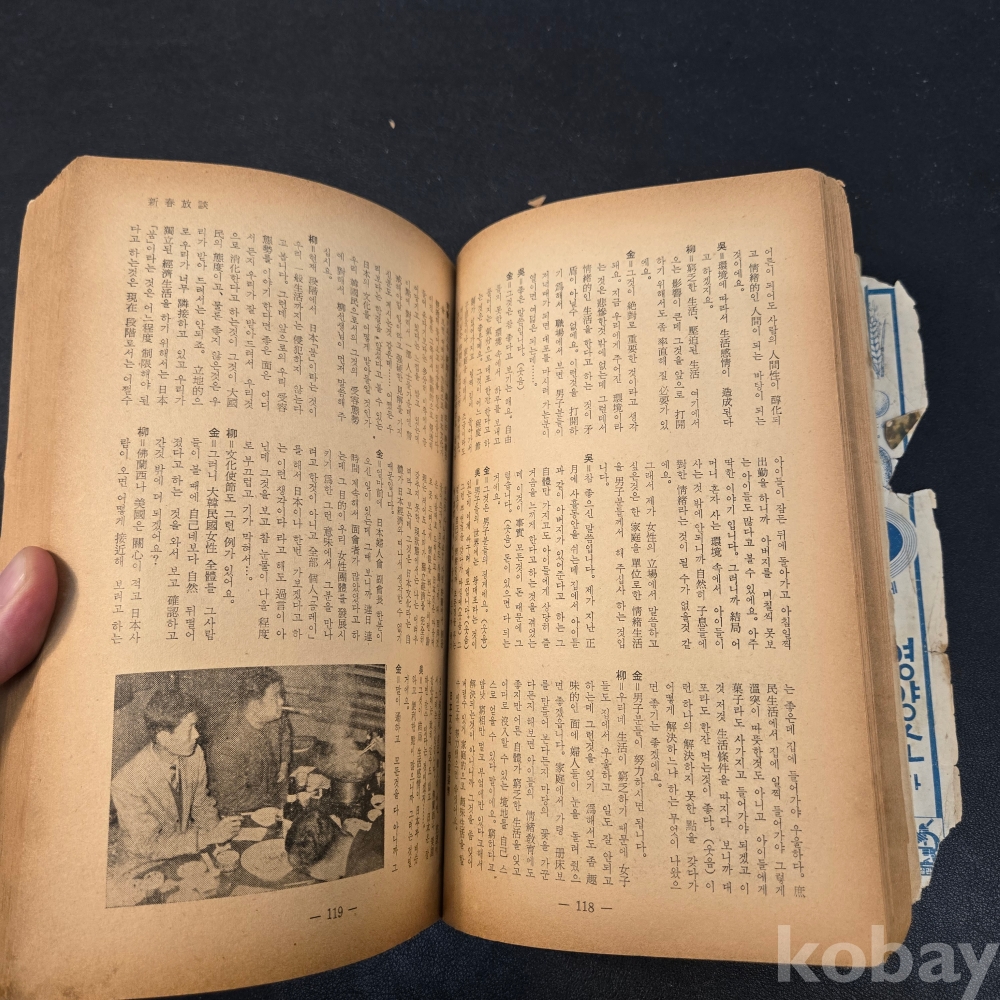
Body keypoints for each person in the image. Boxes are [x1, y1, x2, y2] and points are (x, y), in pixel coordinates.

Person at [111, 689, 241, 860]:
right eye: (189, 728)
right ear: (164, 738)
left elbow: (201, 804)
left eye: (195, 726)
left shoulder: (194, 754)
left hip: (186, 841)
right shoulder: (126, 783)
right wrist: (209, 837)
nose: (197, 735)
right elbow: (149, 846)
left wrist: (220, 837)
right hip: (145, 858)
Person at [203, 666, 292, 815]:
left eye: (280, 694)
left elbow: (285, 736)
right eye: (275, 696)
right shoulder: (227, 743)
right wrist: (282, 799)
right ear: (255, 706)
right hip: (242, 812)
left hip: (271, 798)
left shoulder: (276, 719)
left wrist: (284, 764)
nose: (281, 701)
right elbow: (233, 800)